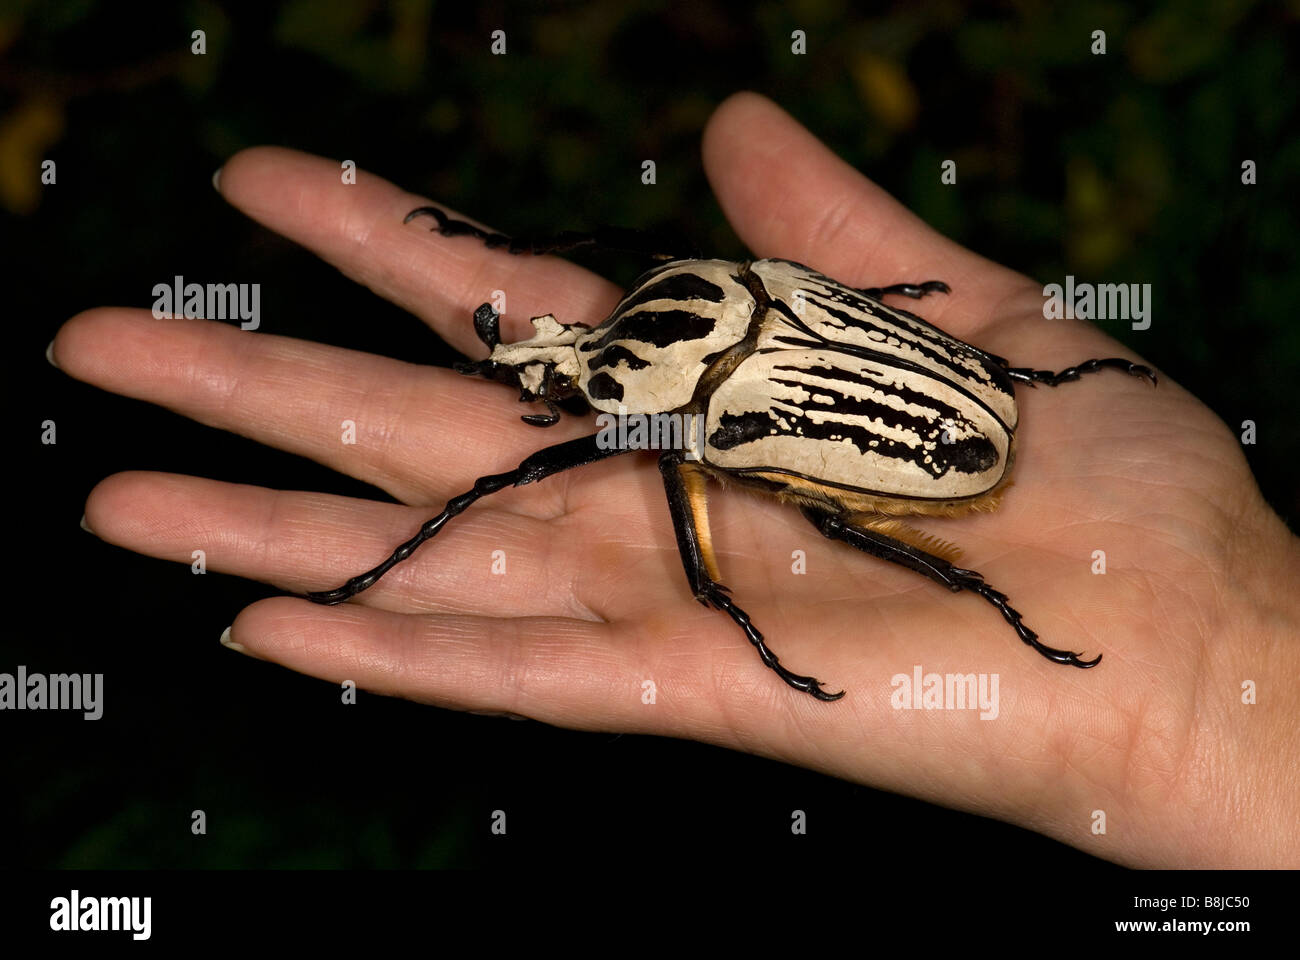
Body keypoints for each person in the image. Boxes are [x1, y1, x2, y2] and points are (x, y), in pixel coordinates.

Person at [51, 92, 1299, 867]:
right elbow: (643, 283)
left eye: (589, 381)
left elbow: (589, 395)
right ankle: (986, 584)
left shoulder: (705, 415)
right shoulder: (719, 299)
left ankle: (990, 600)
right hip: (940, 379)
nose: (564, 373)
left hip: (946, 446)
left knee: (784, 530)